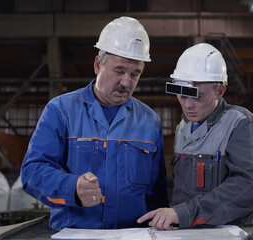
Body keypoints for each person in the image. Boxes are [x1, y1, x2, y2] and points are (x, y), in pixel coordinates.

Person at [21, 16, 169, 229]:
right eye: (119, 71)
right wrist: (70, 187)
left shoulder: (149, 121)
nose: (126, 82)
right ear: (98, 64)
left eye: (135, 74)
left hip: (131, 235)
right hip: (77, 234)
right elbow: (32, 171)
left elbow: (157, 193)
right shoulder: (61, 110)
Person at [137, 43, 253, 230]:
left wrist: (184, 213)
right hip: (186, 232)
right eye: (182, 95)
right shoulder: (183, 127)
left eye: (197, 96)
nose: (188, 105)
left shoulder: (241, 123)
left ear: (219, 91)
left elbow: (249, 186)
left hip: (228, 233)